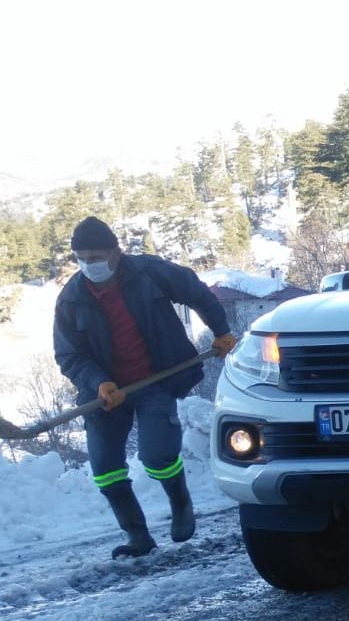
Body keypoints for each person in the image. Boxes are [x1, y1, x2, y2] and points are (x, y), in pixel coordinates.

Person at [53, 217, 237, 559]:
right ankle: (138, 536)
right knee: (105, 469)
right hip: (105, 394)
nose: (89, 264)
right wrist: (100, 383)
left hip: (156, 379)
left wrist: (220, 330)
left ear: (115, 253)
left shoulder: (148, 273)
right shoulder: (71, 299)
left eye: (96, 256)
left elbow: (196, 292)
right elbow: (68, 355)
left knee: (158, 457)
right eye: (82, 257)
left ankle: (180, 501)